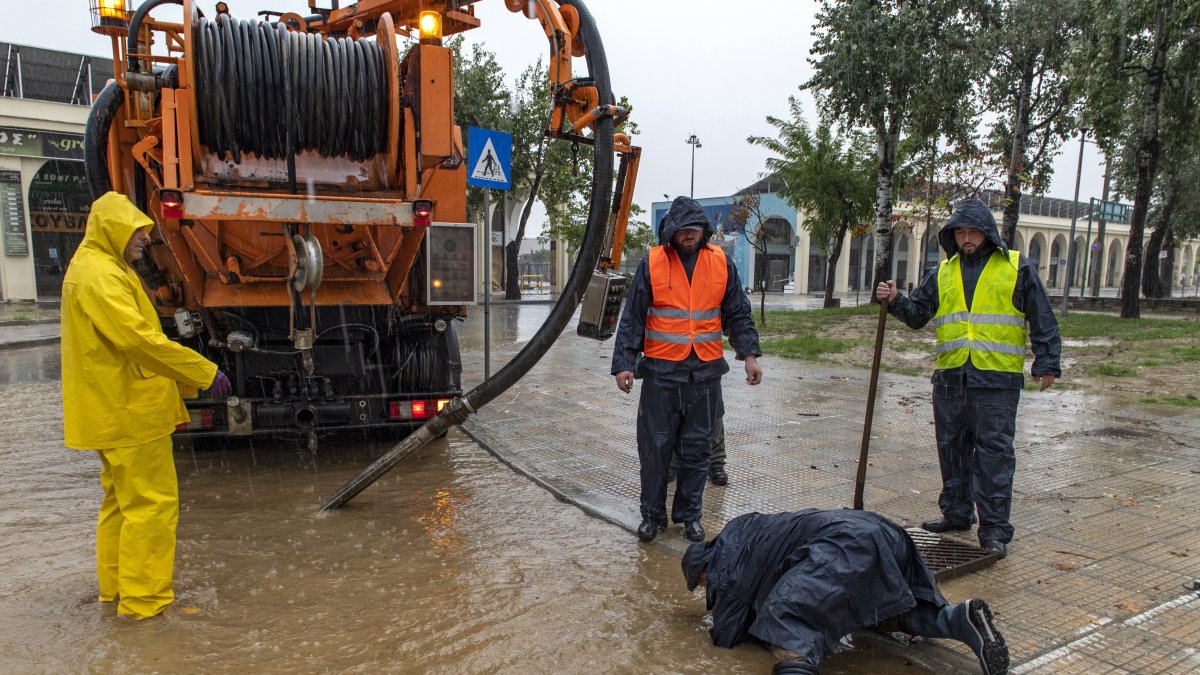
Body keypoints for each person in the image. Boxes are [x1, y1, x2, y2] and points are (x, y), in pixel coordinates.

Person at [61, 191, 230, 620]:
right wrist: (202, 371)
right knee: (152, 506)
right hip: (129, 412)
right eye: (136, 231)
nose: (143, 240)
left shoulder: (98, 268)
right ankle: (145, 606)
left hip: (112, 409)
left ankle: (117, 593)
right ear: (113, 230)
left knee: (120, 505)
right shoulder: (101, 275)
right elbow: (139, 340)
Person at [876, 198, 1061, 560]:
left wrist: (1047, 360)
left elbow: (1042, 315)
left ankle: (993, 530)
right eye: (959, 232)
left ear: (987, 233)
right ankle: (957, 514)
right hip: (950, 376)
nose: (966, 238)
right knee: (952, 449)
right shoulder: (943, 272)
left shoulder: (1015, 267)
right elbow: (917, 315)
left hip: (997, 379)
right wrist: (897, 300)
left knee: (994, 456)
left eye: (972, 231)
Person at [682, 509, 1009, 675]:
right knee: (884, 608)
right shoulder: (748, 530)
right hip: (881, 531)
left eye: (702, 584)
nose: (707, 590)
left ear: (705, 569)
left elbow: (729, 630)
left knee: (785, 616)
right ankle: (959, 618)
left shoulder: (726, 557)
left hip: (843, 546)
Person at [612, 196, 762, 543]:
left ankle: (689, 516)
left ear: (704, 230)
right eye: (683, 230)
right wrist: (624, 364)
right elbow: (633, 317)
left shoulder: (721, 263)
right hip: (662, 374)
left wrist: (750, 355)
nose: (689, 235)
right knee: (655, 449)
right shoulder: (652, 263)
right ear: (672, 232)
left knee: (697, 450)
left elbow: (738, 313)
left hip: (705, 373)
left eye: (695, 229)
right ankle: (652, 515)